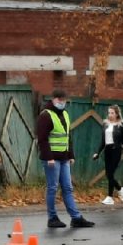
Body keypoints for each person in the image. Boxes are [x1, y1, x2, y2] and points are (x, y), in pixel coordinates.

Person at [36, 90, 95, 230]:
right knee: (52, 188)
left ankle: (76, 218)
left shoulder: (65, 114)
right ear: (54, 99)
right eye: (60, 100)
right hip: (52, 160)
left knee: (68, 188)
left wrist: (71, 155)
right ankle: (52, 218)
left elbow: (68, 136)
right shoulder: (46, 115)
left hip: (64, 158)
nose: (63, 103)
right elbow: (42, 139)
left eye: (64, 100)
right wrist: (49, 157)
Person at [92, 105, 123, 205]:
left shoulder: (122, 125)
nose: (110, 115)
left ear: (117, 114)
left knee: (110, 174)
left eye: (112, 113)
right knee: (108, 174)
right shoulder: (105, 124)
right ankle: (120, 189)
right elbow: (103, 141)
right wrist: (98, 152)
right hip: (107, 150)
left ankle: (110, 197)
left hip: (116, 150)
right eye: (109, 113)